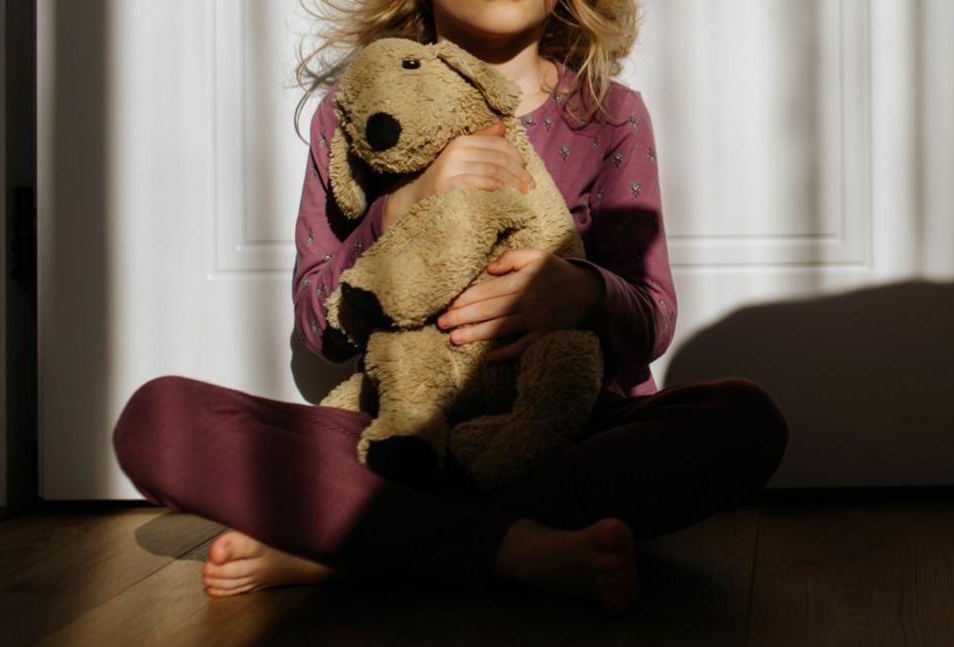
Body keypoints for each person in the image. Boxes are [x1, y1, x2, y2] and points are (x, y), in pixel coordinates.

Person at [113, 0, 788, 615]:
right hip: (401, 437)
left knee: (745, 419)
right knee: (156, 419)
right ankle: (517, 549)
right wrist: (397, 210)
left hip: (564, 431)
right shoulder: (353, 115)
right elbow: (322, 327)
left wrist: (582, 290)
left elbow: (653, 316)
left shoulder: (609, 114)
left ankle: (360, 546)